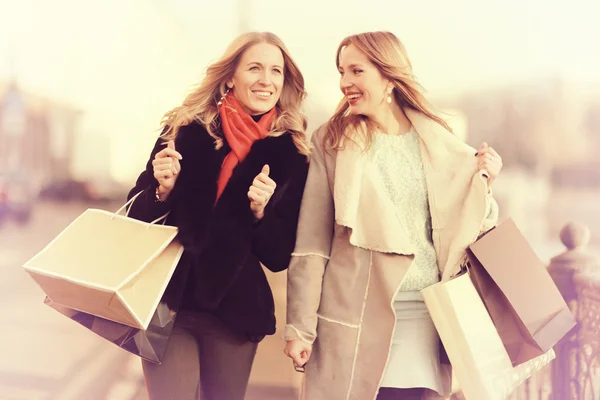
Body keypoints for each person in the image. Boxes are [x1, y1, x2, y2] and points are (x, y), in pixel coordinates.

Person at [284, 31, 503, 400]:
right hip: (354, 317)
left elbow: (471, 229)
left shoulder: (438, 141)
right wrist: (300, 328)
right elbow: (312, 243)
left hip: (428, 318)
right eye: (341, 72)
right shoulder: (331, 142)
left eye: (356, 71)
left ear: (388, 75)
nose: (344, 83)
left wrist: (485, 181)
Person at [127, 31, 310, 400]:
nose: (266, 80)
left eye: (276, 71)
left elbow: (279, 256)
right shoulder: (184, 131)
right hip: (170, 301)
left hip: (235, 310)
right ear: (230, 76)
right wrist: (163, 190)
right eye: (255, 68)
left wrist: (259, 213)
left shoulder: (292, 153)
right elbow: (134, 215)